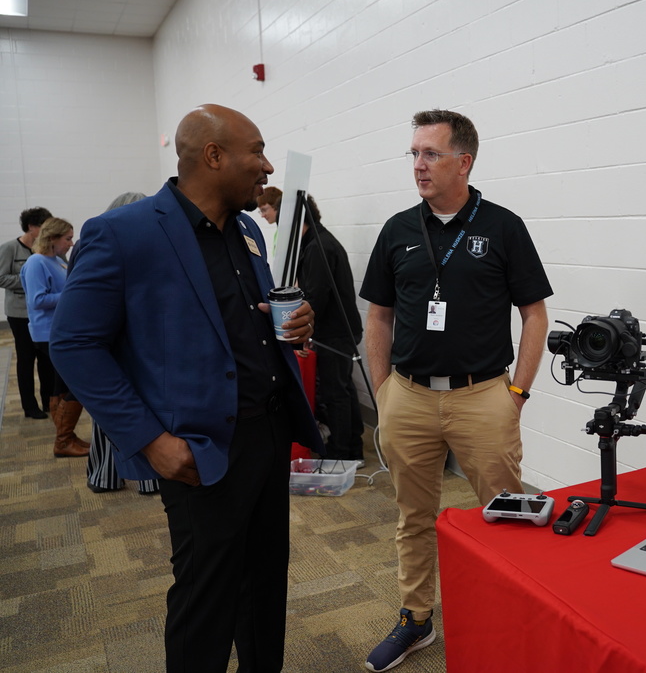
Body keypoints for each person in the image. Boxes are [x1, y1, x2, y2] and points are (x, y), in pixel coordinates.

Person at [49, 104, 323, 673]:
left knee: (266, 582)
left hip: (268, 434)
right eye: (257, 151)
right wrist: (148, 439)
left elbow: (251, 318)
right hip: (200, 449)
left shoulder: (246, 229)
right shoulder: (122, 233)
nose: (267, 166)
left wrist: (296, 321)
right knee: (207, 597)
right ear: (213, 156)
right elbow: (74, 345)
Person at [360, 109, 552, 672]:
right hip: (409, 397)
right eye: (414, 153)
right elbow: (378, 318)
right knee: (413, 517)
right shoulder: (398, 229)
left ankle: (515, 617)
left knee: (507, 514)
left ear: (463, 162)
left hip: (482, 397)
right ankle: (416, 619)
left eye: (431, 154)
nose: (419, 165)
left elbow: (535, 315)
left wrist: (515, 393)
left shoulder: (502, 226)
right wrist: (383, 393)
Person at [78, 192, 160, 495]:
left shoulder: (102, 244)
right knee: (126, 410)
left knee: (114, 415)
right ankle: (146, 479)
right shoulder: (107, 244)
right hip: (118, 342)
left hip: (122, 342)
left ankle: (106, 476)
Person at [296, 194, 364, 462]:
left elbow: (316, 299)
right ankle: (352, 450)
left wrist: (304, 333)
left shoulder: (317, 247)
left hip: (334, 332)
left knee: (336, 394)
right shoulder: (319, 241)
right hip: (339, 330)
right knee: (343, 390)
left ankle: (342, 454)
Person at [21, 217, 90, 457]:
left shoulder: (56, 261)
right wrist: (72, 294)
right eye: (67, 238)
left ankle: (66, 438)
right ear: (52, 239)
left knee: (60, 387)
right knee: (73, 385)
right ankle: (63, 440)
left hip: (61, 331)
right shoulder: (36, 262)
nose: (71, 244)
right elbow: (37, 301)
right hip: (48, 333)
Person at [0, 206, 53, 419]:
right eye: (44, 226)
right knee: (26, 359)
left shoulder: (45, 249)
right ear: (31, 227)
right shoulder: (10, 249)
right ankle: (29, 407)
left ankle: (50, 402)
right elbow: (1, 277)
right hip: (20, 314)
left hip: (42, 315)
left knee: (46, 360)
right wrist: (31, 282)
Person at [257, 185, 282, 256]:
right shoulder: (277, 233)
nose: (262, 215)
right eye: (261, 211)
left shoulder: (287, 232)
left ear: (277, 206)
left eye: (264, 210)